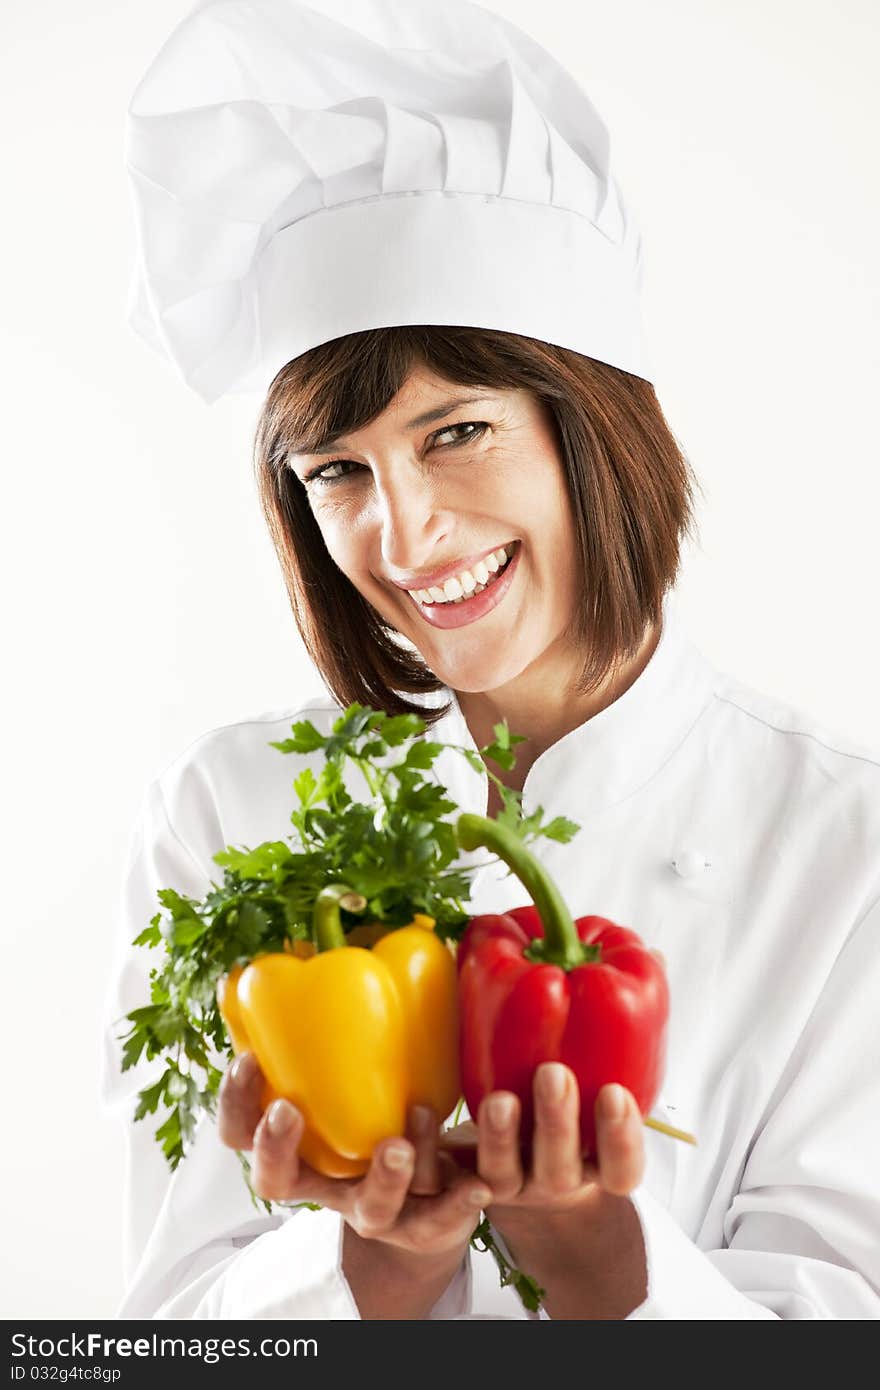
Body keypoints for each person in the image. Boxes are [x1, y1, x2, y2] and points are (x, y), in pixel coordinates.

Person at [101, 0, 880, 1319]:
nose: (401, 536)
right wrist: (375, 1266)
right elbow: (170, 1331)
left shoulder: (842, 841)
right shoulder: (227, 815)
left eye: (455, 432)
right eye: (339, 471)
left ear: (592, 425)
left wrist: (611, 1267)